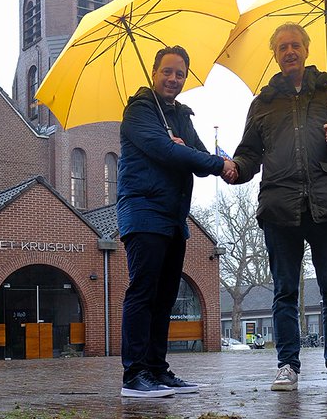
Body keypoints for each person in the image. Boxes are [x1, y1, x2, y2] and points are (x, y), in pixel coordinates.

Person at [224, 22, 327, 392]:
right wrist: (235, 169)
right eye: (282, 47)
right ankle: (288, 364)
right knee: (284, 290)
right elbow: (249, 153)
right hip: (280, 206)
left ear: (306, 49)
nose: (289, 51)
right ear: (275, 54)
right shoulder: (263, 103)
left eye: (295, 45)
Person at [116, 45, 238, 399]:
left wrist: (227, 163)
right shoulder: (138, 111)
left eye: (180, 74)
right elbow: (166, 151)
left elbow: (198, 159)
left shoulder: (182, 115)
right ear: (153, 73)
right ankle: (134, 374)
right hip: (143, 210)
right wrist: (187, 152)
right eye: (167, 71)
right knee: (144, 291)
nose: (173, 79)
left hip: (173, 217)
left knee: (166, 295)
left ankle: (157, 369)